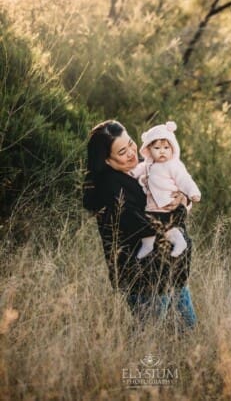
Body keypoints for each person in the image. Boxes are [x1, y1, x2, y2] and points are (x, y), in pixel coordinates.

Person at [82, 120, 197, 329]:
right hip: (146, 278)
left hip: (172, 272)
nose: (131, 153)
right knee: (148, 339)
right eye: (122, 151)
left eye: (131, 143)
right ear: (107, 160)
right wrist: (180, 209)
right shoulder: (111, 187)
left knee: (185, 332)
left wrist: (184, 198)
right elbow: (143, 225)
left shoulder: (147, 169)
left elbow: (173, 191)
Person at [132, 121, 201, 259]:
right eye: (157, 148)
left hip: (168, 203)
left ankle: (179, 242)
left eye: (166, 147)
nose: (162, 151)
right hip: (152, 206)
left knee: (169, 228)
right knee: (148, 227)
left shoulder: (174, 165)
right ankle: (148, 245)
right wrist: (134, 174)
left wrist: (193, 192)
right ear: (149, 150)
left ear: (173, 148)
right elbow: (138, 170)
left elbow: (184, 179)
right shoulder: (148, 164)